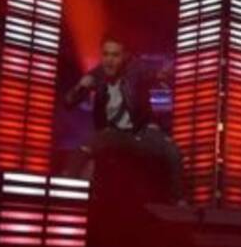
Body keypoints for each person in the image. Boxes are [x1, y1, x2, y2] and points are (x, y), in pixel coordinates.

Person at [62, 35, 184, 203]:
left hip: (141, 132)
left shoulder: (136, 69)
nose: (109, 60)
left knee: (172, 151)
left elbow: (154, 75)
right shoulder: (97, 75)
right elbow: (68, 103)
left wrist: (162, 75)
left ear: (125, 56)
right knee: (84, 150)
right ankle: (67, 196)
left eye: (115, 55)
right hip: (114, 134)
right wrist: (80, 87)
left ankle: (178, 201)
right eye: (106, 54)